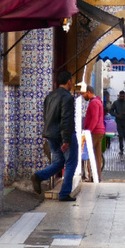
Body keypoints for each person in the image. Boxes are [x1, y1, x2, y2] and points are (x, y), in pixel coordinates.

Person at [31, 69, 78, 201]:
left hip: (51, 134)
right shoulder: (67, 97)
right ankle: (64, 193)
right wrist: (66, 139)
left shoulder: (50, 96)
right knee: (71, 162)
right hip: (63, 135)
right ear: (68, 81)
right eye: (72, 81)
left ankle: (39, 176)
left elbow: (46, 115)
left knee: (59, 161)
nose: (72, 83)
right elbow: (66, 119)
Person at [78, 84, 104, 180]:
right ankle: (96, 176)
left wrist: (89, 132)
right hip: (98, 131)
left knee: (88, 154)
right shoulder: (97, 101)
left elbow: (94, 119)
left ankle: (91, 176)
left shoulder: (94, 103)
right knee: (96, 155)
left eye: (83, 94)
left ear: (88, 92)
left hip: (94, 132)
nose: (83, 96)